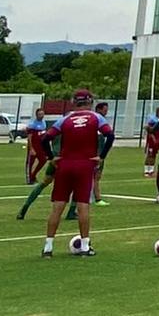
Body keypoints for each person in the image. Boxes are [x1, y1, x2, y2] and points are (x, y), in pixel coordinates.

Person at [41, 89, 111, 257]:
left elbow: (45, 138)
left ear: (74, 102)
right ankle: (85, 246)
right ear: (90, 101)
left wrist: (52, 157)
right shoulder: (96, 117)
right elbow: (110, 135)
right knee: (83, 205)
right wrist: (101, 156)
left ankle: (48, 247)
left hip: (65, 164)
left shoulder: (64, 119)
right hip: (85, 164)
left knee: (57, 206)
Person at [91, 101, 115, 206]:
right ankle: (97, 198)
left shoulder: (101, 121)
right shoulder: (96, 120)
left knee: (96, 176)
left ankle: (93, 197)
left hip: (100, 151)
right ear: (99, 109)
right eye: (105, 110)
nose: (106, 112)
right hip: (96, 153)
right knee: (95, 176)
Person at [23, 107, 51, 185]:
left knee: (43, 160)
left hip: (41, 146)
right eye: (39, 114)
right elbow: (30, 137)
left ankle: (33, 175)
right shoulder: (32, 124)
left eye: (42, 114)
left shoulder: (44, 123)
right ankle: (29, 179)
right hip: (34, 146)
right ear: (36, 115)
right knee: (30, 163)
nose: (41, 116)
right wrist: (31, 148)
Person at [143, 106, 159, 178]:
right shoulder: (153, 120)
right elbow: (148, 129)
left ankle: (151, 171)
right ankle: (146, 171)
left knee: (154, 155)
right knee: (150, 155)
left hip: (157, 141)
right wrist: (153, 137)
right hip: (152, 141)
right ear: (158, 112)